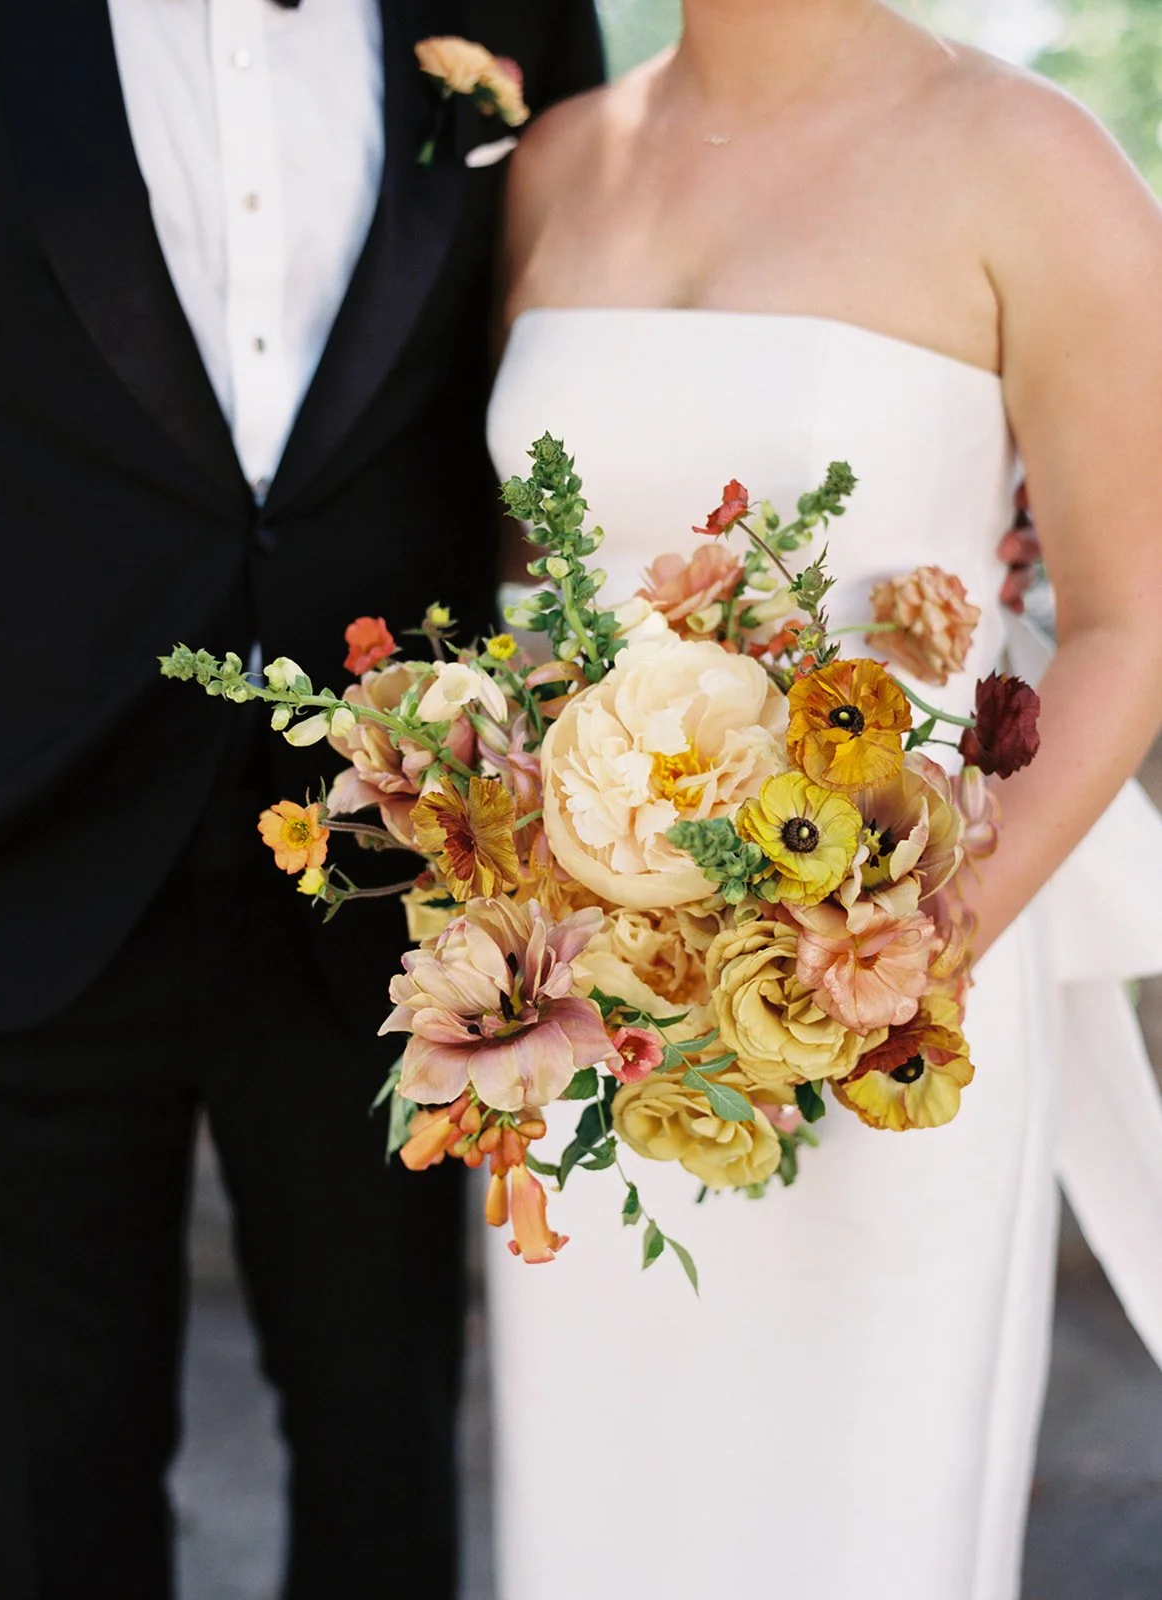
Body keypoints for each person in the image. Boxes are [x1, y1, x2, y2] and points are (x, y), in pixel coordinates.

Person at [483, 2, 1162, 1597]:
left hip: (891, 1001)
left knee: (856, 1523)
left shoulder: (1033, 161)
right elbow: (524, 594)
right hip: (605, 1026)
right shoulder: (557, 164)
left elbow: (1131, 622)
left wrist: (889, 962)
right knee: (600, 1510)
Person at [0, 4, 603, 1598]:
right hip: (20, 852)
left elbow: (618, 312)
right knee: (53, 1474)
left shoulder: (514, 12)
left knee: (388, 1444)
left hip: (394, 878)